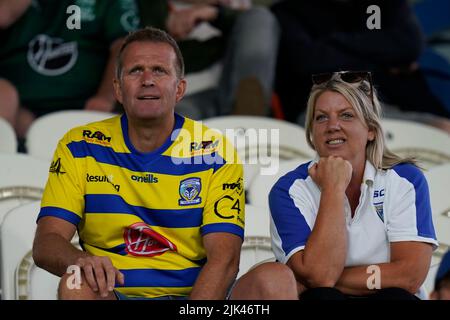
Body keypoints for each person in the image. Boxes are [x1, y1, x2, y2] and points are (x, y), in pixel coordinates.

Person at [32, 27, 297, 300]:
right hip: (114, 295)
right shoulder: (80, 145)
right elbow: (46, 242)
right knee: (76, 282)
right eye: (135, 70)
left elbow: (225, 258)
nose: (147, 80)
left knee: (275, 279)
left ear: (179, 88)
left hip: (198, 299)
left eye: (159, 70)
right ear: (118, 89)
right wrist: (81, 260)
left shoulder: (215, 151)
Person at [269, 70, 438, 300]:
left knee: (394, 297)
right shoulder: (288, 191)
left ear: (371, 130)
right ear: (312, 133)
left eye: (346, 115)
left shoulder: (405, 179)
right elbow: (320, 278)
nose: (332, 126)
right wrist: (333, 189)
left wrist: (325, 281)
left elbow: (408, 277)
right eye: (321, 117)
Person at [271, 0, 450, 132]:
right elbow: (307, 60)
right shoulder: (288, 11)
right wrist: (382, 57)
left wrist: (331, 45)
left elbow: (410, 44)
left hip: (403, 105)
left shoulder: (383, 5)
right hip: (332, 111)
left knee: (443, 130)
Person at [0, 0, 139, 139]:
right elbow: (3, 15)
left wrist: (105, 98)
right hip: (20, 110)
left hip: (83, 110)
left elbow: (126, 46)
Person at [137, 0, 279, 119]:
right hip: (183, 105)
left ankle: (246, 119)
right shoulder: (148, 9)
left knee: (260, 18)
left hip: (235, 100)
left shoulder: (233, 10)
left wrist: (216, 14)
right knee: (176, 118)